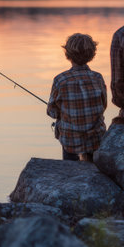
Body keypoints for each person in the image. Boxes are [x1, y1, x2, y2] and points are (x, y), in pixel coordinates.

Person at [47, 33, 107, 162]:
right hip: (96, 139)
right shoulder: (98, 78)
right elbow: (103, 106)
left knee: (70, 165)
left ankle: (70, 170)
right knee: (93, 167)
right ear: (92, 55)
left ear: (67, 55)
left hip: (70, 141)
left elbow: (52, 112)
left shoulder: (60, 80)